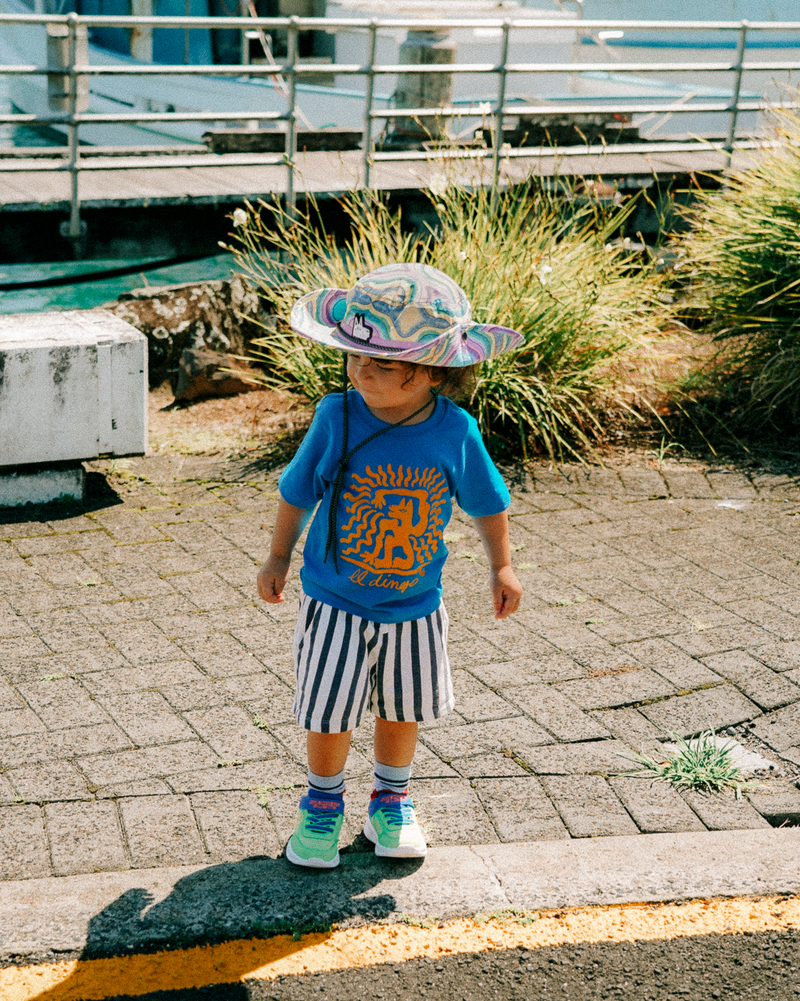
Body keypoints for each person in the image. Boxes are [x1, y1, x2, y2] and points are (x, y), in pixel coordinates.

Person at [257, 262, 524, 869]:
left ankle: (391, 802)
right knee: (328, 710)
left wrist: (500, 568)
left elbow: (488, 503)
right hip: (333, 601)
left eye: (379, 364)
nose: (360, 371)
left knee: (402, 707)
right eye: (353, 358)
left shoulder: (456, 431)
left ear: (431, 372)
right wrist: (278, 555)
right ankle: (322, 807)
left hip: (414, 605)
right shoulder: (337, 416)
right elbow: (298, 491)